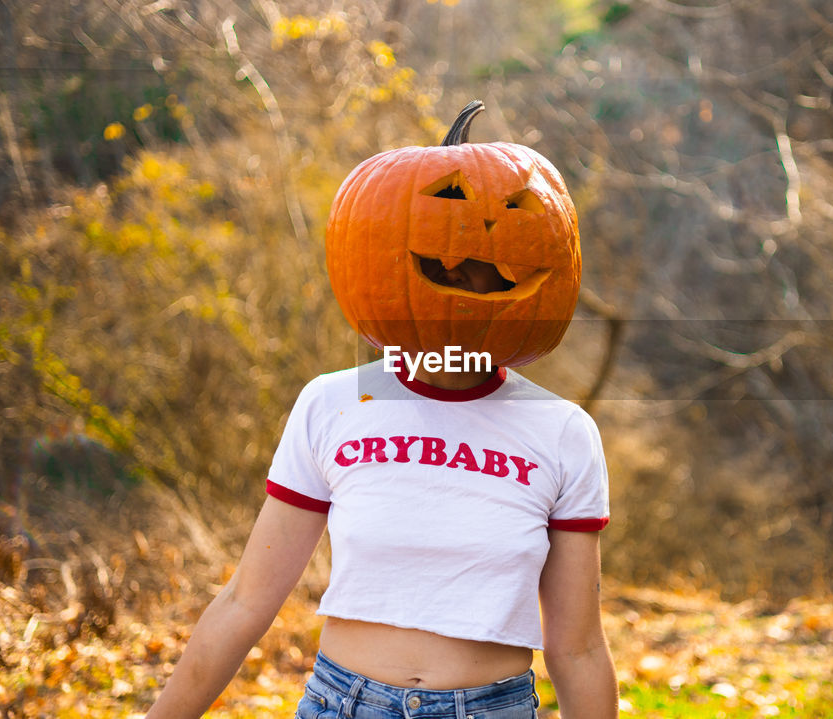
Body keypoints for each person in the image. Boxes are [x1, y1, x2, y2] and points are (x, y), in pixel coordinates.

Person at [146, 222, 617, 717]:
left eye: (476, 258)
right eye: (435, 259)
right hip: (343, 704)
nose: (452, 272)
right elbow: (246, 601)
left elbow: (578, 647)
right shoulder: (332, 402)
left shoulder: (562, 430)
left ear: (509, 281)